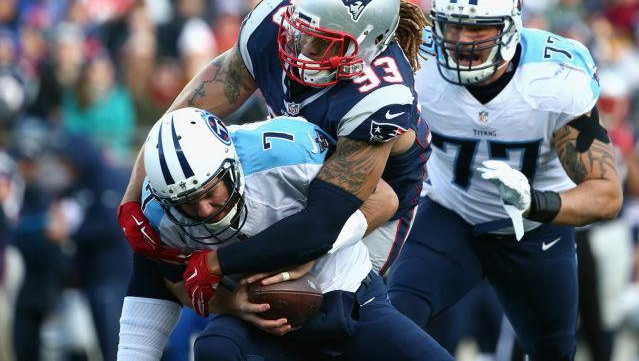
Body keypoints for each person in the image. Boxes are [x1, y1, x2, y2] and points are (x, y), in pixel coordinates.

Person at [116, 0, 431, 281]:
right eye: (301, 29)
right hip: (296, 176)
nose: (301, 47)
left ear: (366, 46)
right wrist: (130, 199)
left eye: (321, 42)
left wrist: (217, 264)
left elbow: (323, 223)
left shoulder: (380, 99)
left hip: (367, 207)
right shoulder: (272, 26)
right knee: (165, 243)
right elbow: (177, 125)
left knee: (306, 303)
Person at [386, 0, 623, 361]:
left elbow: (606, 195)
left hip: (533, 229)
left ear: (511, 26)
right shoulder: (415, 61)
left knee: (552, 351)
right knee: (391, 322)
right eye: (452, 25)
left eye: (478, 27)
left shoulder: (553, 76)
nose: (462, 40)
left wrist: (535, 203)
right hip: (451, 214)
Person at [117, 107, 452, 361]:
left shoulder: (288, 154)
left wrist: (313, 248)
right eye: (188, 203)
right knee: (215, 348)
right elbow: (175, 284)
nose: (204, 210)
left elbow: (384, 199)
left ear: (230, 164)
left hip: (347, 296)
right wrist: (233, 304)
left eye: (210, 192)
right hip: (262, 323)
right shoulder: (160, 215)